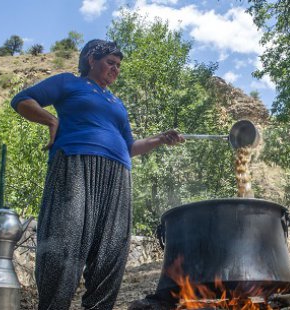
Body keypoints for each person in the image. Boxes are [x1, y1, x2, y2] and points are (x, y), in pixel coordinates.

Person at [10, 39, 184, 310]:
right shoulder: (70, 83)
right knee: (63, 241)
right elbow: (22, 100)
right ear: (91, 59)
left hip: (117, 174)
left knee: (111, 249)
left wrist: (160, 139)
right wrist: (51, 120)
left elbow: (129, 146)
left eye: (118, 66)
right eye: (110, 63)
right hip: (76, 164)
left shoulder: (117, 103)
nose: (115, 69)